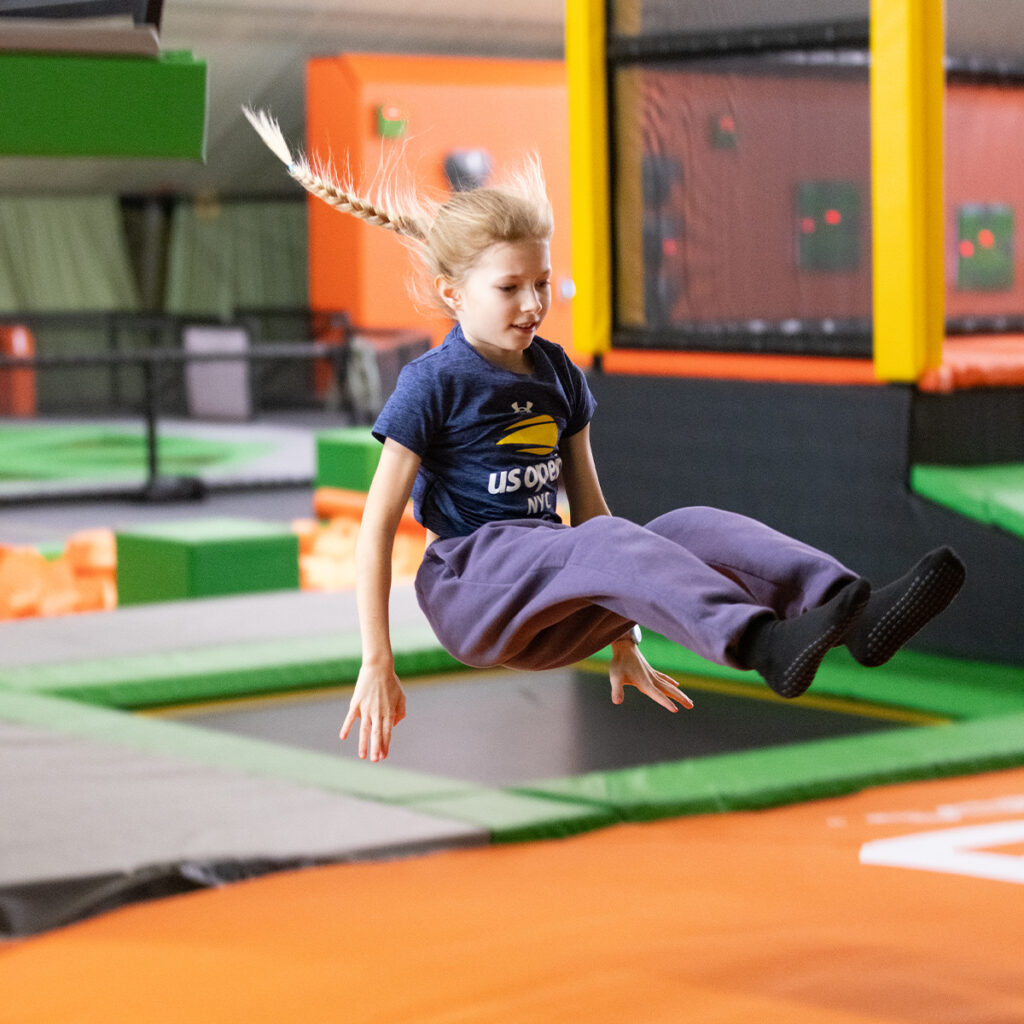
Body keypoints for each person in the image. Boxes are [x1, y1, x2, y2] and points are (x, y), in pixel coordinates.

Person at [246, 109, 966, 763]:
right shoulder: (433, 382)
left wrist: (623, 633)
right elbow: (376, 529)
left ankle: (852, 610)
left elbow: (592, 511)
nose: (532, 304)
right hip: (473, 587)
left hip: (553, 589)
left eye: (542, 283)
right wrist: (377, 659)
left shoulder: (556, 372)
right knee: (599, 543)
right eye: (509, 289)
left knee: (689, 525)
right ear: (451, 292)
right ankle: (758, 642)